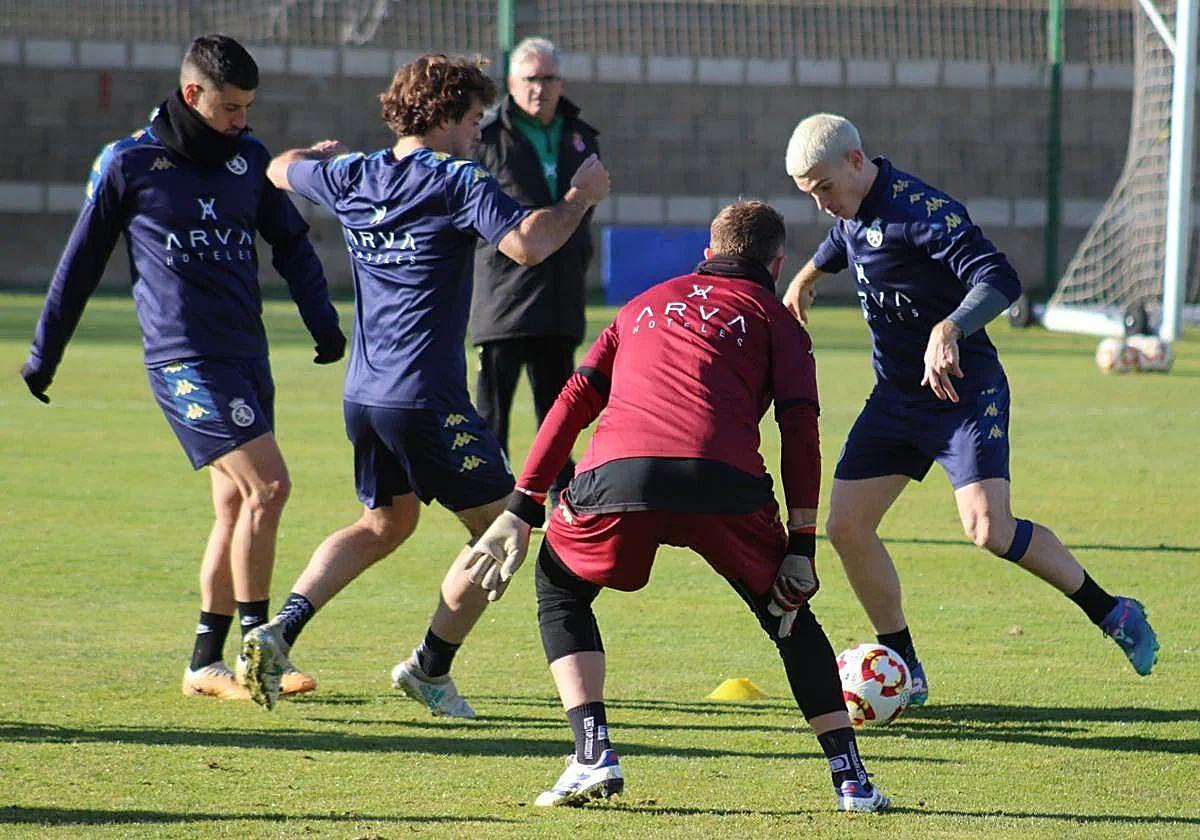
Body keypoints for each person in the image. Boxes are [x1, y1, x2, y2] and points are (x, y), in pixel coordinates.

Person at [467, 200, 892, 812]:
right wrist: (800, 545)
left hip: (619, 479)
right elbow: (801, 429)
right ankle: (851, 780)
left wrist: (522, 506)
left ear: (707, 253)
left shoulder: (641, 304)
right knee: (789, 617)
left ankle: (592, 753)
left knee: (560, 588)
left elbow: (573, 398)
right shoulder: (778, 319)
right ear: (776, 266)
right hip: (725, 488)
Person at [235, 53, 610, 712]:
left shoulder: (352, 173)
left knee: (385, 523)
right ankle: (429, 668)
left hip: (365, 394)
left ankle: (279, 630)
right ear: (442, 116)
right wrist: (580, 197)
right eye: (471, 120)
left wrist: (314, 152)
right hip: (426, 396)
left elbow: (278, 166)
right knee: (506, 533)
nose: (476, 133)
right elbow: (527, 244)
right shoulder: (457, 179)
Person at [780, 113, 1159, 706]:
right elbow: (843, 239)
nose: (823, 205)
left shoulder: (924, 211)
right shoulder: (851, 210)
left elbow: (998, 277)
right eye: (811, 195)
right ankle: (903, 663)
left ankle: (1112, 611)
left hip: (962, 389)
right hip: (898, 395)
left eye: (824, 188)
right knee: (846, 527)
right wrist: (805, 277)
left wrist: (951, 326)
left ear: (856, 161)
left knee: (989, 529)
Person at [19, 35, 346, 702]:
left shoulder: (248, 159)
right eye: (229, 107)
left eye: (248, 107)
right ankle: (263, 653)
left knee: (234, 502)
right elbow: (80, 263)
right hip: (183, 361)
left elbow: (290, 242)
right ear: (191, 95)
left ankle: (205, 664)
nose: (242, 121)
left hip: (245, 356)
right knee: (269, 489)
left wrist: (322, 323)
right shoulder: (128, 163)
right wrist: (44, 353)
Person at [470, 37, 600, 505]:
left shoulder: (581, 134)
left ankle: (564, 499)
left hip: (561, 296)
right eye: (530, 79)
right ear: (511, 83)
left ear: (561, 81)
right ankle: (488, 496)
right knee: (492, 414)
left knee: (560, 412)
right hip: (502, 297)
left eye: (548, 79)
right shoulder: (485, 137)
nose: (540, 89)